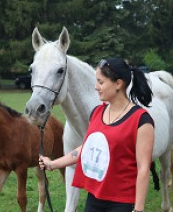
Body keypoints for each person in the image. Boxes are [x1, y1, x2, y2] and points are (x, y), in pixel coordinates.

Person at [39, 57, 154, 212]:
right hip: (95, 198)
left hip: (123, 202)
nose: (96, 87)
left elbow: (143, 168)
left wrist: (138, 208)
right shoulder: (97, 113)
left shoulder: (141, 120)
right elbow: (86, 148)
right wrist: (53, 164)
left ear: (118, 84)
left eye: (101, 82)